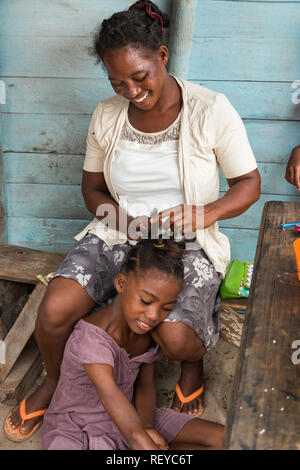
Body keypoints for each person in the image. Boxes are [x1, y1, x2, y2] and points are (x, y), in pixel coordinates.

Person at [4, 0, 261, 441]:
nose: (131, 90)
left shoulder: (210, 108)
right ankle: (57, 379)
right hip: (118, 232)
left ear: (161, 56)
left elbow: (248, 184)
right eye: (117, 81)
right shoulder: (107, 115)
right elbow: (92, 192)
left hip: (189, 240)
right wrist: (122, 219)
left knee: (177, 335)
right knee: (54, 310)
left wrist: (207, 212)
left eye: (139, 77)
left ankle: (192, 361)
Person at [39, 239, 224, 450]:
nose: (154, 315)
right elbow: (110, 394)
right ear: (121, 284)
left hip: (133, 414)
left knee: (225, 439)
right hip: (80, 428)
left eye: (167, 307)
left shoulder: (144, 331)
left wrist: (146, 427)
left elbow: (145, 383)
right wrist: (141, 439)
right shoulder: (91, 340)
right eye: (146, 301)